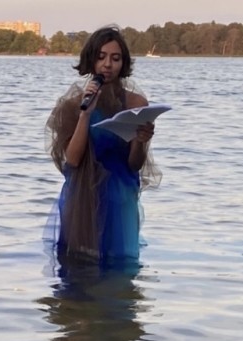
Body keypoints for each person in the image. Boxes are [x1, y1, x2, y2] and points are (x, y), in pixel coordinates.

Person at [45, 25, 161, 265]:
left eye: (115, 58)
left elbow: (134, 164)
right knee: (78, 271)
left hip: (120, 195)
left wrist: (140, 142)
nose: (108, 64)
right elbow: (73, 160)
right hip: (83, 196)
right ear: (91, 61)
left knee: (119, 273)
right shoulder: (74, 104)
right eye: (101, 57)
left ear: (123, 63)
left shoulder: (136, 103)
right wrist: (85, 114)